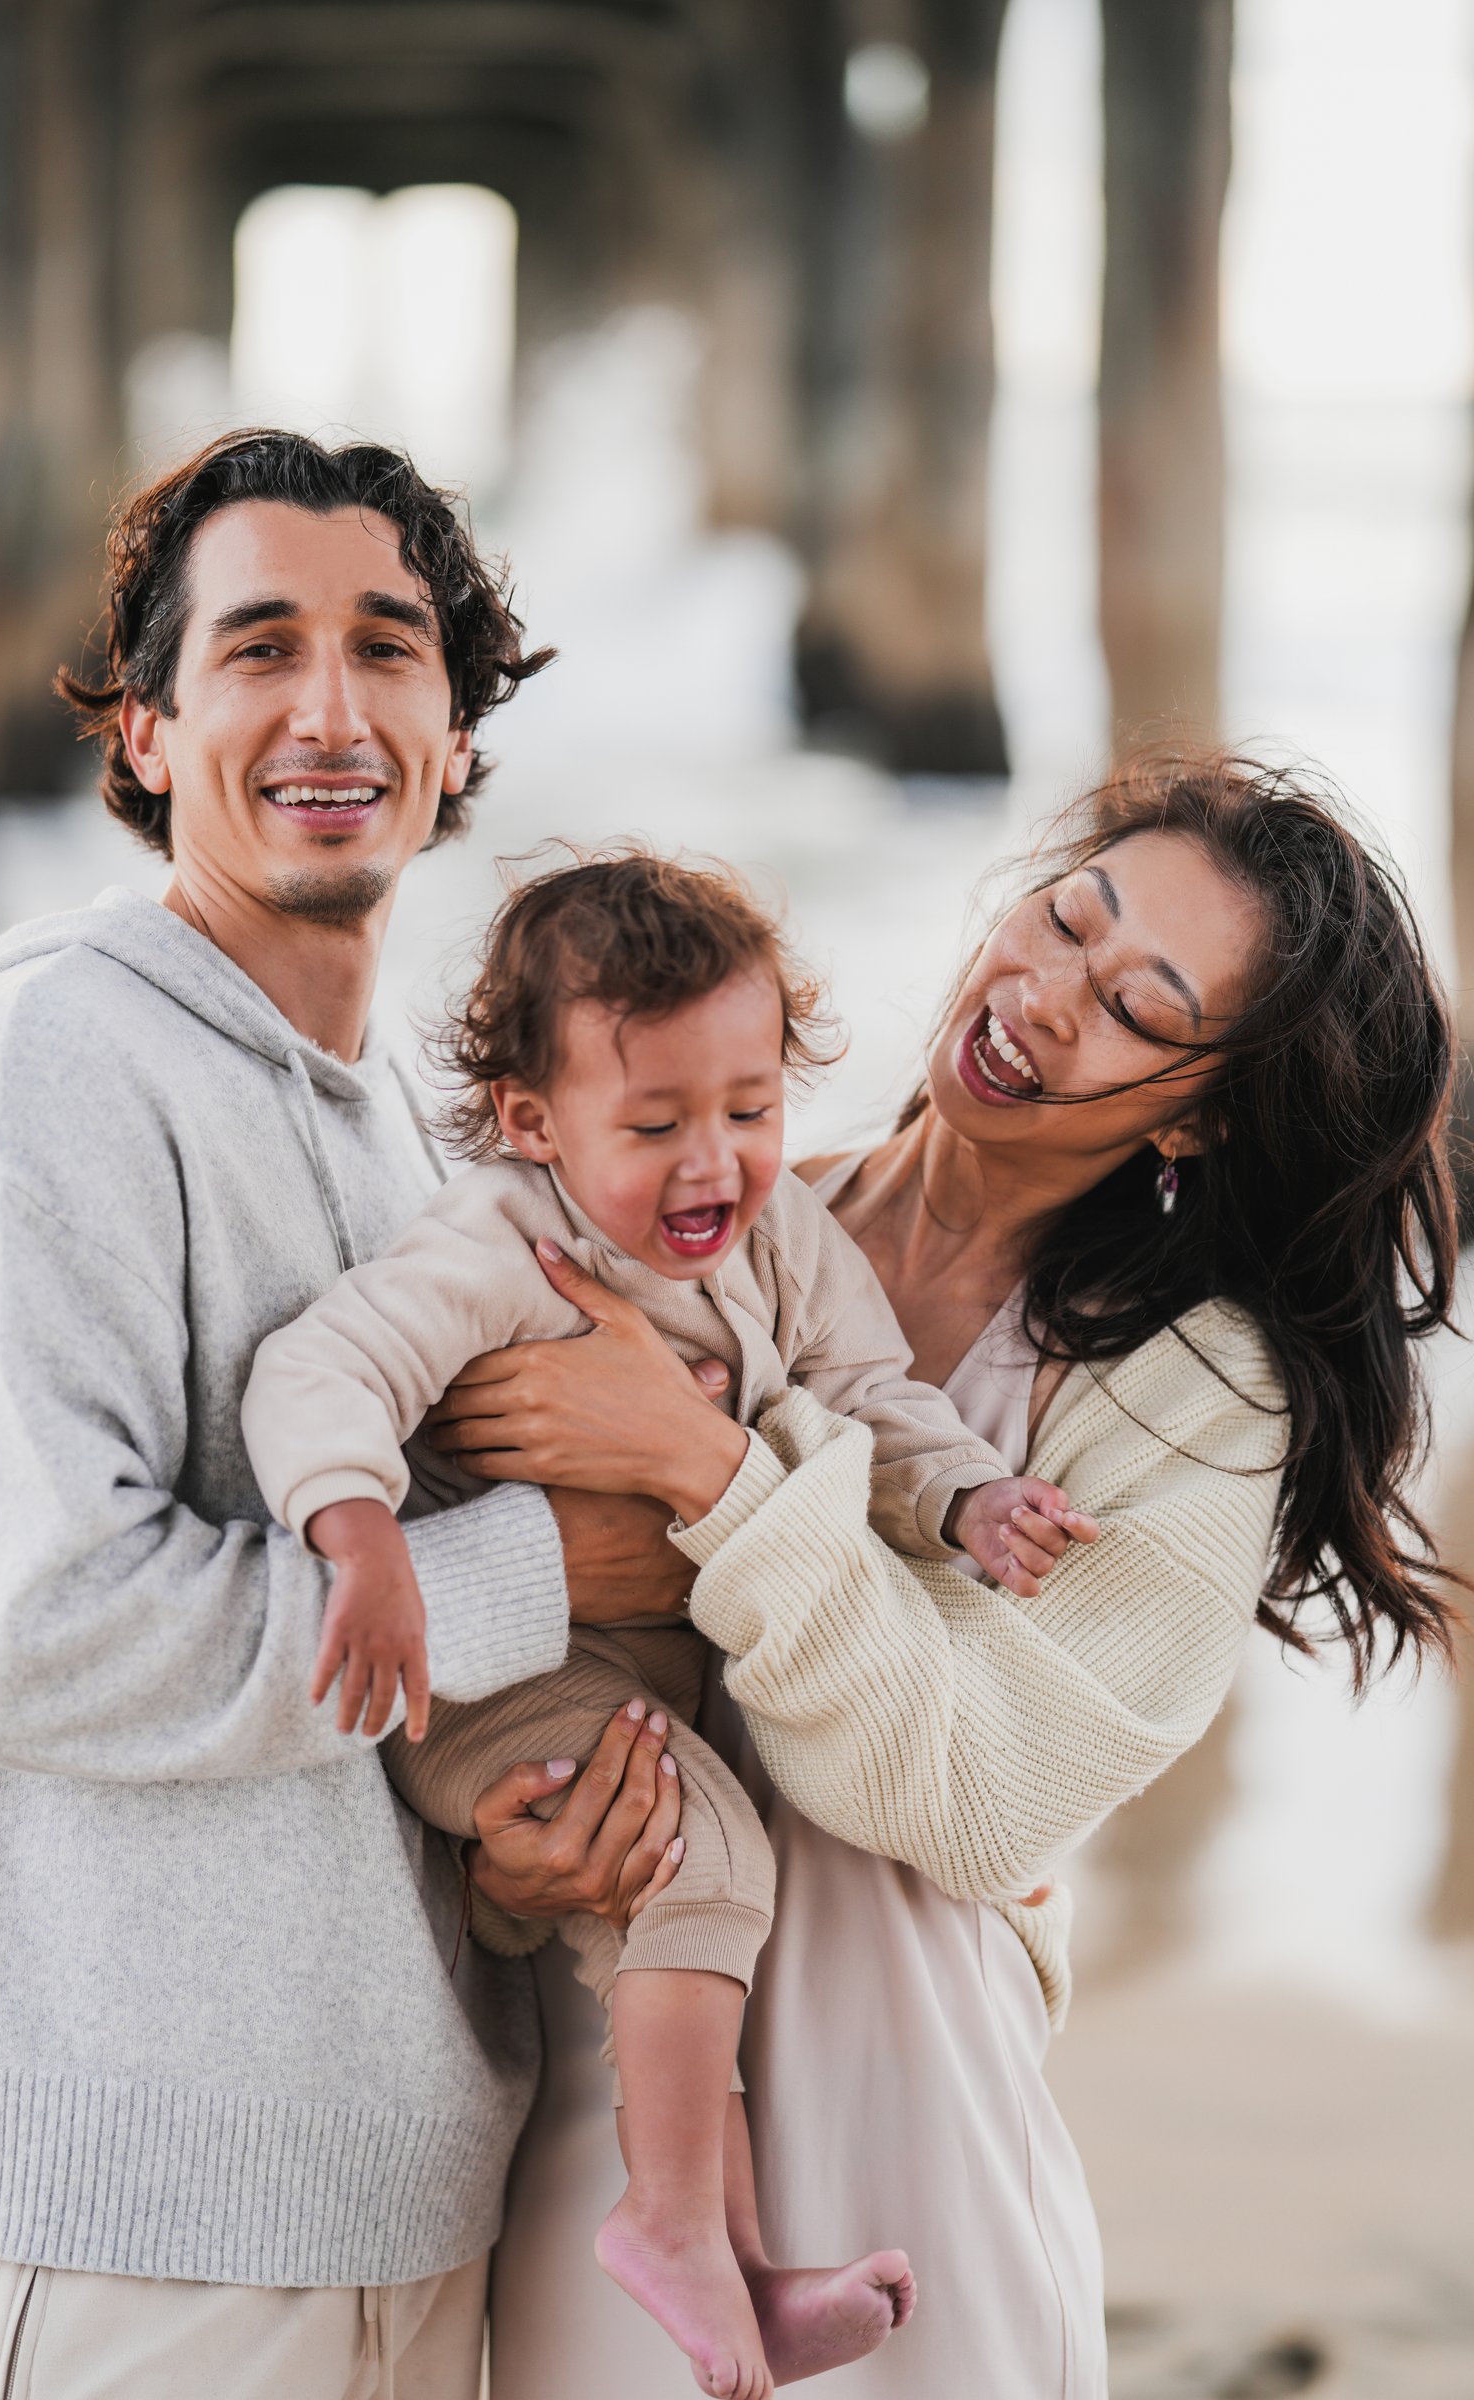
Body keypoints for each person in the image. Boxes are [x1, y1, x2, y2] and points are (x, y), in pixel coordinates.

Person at [424, 754, 1461, 2399]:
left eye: (1138, 1005)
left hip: (904, 2183)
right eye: (1066, 919)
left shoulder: (1196, 1393)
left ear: (1198, 1109)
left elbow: (973, 1791)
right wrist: (513, 1855)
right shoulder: (722, 1216)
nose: (1047, 996)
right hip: (616, 2151)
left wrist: (704, 1474)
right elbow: (509, 1661)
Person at [0, 429, 688, 2400]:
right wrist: (540, 1568)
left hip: (414, 2191)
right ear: (145, 731)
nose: (330, 709)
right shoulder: (48, 1059)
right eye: (257, 649)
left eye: (389, 647)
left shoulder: (406, 1128)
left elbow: (371, 1737)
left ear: (456, 721)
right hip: (137, 2231)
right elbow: (43, 1635)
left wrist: (511, 1857)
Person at [242, 851, 1098, 2397]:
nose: (715, 1164)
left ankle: (734, 2259)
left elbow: (868, 1397)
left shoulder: (778, 1241)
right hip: (506, 1676)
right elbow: (321, 1373)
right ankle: (676, 2224)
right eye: (654, 1127)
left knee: (702, 1884)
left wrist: (968, 1502)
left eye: (753, 1111)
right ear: (530, 1122)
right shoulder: (497, 1244)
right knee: (710, 1857)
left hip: (637, 1671)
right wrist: (358, 1530)